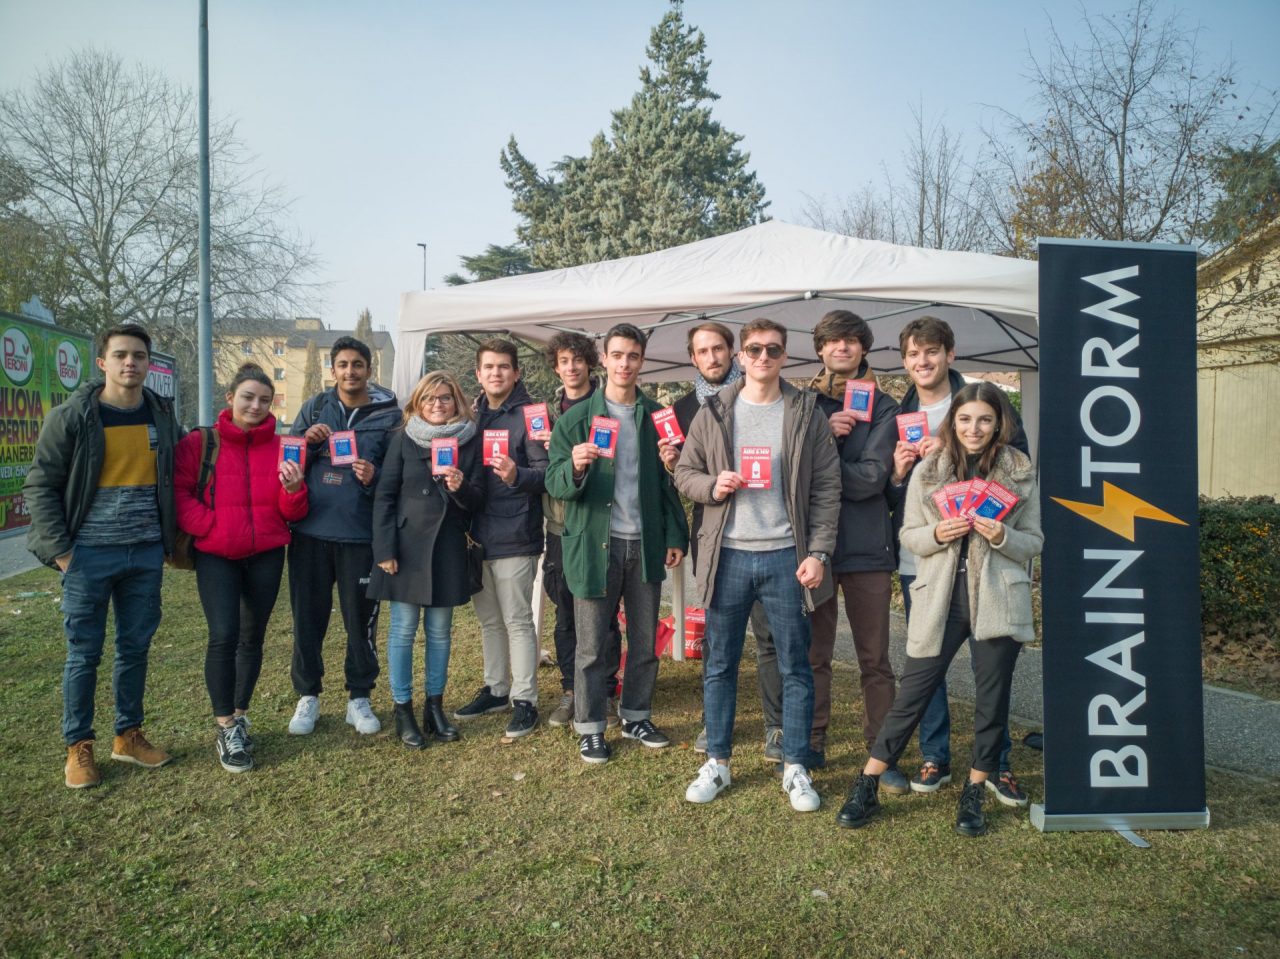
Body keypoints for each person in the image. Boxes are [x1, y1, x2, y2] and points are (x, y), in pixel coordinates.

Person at [837, 382, 1042, 837]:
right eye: (966, 419)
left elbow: (1035, 541)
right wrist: (938, 535)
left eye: (985, 419)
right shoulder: (930, 467)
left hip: (997, 599)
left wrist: (1002, 536)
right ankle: (867, 782)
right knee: (913, 691)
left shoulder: (1020, 470)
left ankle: (974, 791)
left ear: (999, 423)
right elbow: (910, 532)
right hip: (941, 599)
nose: (974, 428)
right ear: (954, 422)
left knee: (992, 701)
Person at [674, 318, 840, 812]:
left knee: (794, 665)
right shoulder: (715, 411)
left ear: (785, 356)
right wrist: (712, 486)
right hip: (726, 556)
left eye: (773, 349)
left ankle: (795, 766)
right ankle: (719, 762)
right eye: (754, 349)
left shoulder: (805, 411)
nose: (763, 357)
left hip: (787, 557)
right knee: (720, 663)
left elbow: (828, 488)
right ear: (740, 357)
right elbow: (685, 471)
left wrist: (818, 553)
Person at [25, 323, 180, 788]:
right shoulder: (73, 416)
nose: (129, 363)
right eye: (120, 355)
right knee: (83, 654)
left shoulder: (161, 415)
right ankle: (78, 747)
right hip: (88, 555)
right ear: (103, 362)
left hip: (144, 554)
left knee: (135, 649)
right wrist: (64, 553)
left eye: (138, 355)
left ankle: (128, 736)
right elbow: (41, 484)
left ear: (148, 363)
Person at [887, 316, 1031, 806]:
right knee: (927, 666)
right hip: (927, 560)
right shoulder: (897, 408)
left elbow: (1017, 476)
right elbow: (894, 497)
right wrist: (899, 470)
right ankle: (936, 754)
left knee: (991, 672)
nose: (922, 362)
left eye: (931, 352)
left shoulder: (983, 399)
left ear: (950, 354)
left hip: (988, 564)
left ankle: (996, 763)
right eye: (912, 354)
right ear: (904, 360)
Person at [754, 311, 903, 783]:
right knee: (812, 653)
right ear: (819, 349)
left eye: (852, 341)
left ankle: (882, 751)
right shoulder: (801, 404)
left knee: (874, 659)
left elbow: (871, 479)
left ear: (863, 348)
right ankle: (810, 742)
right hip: (813, 549)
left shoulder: (886, 407)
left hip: (866, 548)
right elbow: (787, 476)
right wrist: (829, 437)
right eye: (832, 341)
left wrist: (827, 456)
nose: (842, 348)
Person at [545, 323, 688, 764]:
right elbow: (554, 483)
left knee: (644, 642)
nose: (625, 363)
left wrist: (674, 530)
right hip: (593, 546)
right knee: (591, 646)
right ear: (603, 360)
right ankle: (590, 726)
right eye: (617, 355)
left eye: (633, 356)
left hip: (642, 545)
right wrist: (576, 466)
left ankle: (637, 714)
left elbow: (669, 486)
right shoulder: (575, 420)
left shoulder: (657, 416)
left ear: (642, 361)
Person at [175, 363, 309, 772]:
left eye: (265, 400)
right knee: (223, 635)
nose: (256, 405)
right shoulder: (201, 442)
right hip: (217, 554)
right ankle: (224, 725)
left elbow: (295, 512)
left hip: (266, 552)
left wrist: (293, 488)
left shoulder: (285, 446)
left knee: (252, 637)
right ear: (230, 398)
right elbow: (179, 492)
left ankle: (238, 714)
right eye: (248, 397)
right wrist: (209, 527)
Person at [664, 322, 777, 758]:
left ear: (735, 352)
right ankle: (714, 726)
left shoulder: (767, 396)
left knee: (770, 639)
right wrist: (673, 465)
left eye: (719, 348)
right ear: (692, 359)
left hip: (768, 535)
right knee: (718, 639)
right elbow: (681, 479)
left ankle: (777, 727)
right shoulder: (680, 409)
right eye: (702, 351)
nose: (712, 357)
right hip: (714, 538)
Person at [286, 336, 400, 738]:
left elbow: (396, 473)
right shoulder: (315, 408)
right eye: (342, 365)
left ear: (370, 370)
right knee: (307, 619)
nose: (350, 371)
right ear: (331, 369)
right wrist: (309, 444)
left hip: (359, 535)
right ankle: (308, 695)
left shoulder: (389, 416)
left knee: (360, 622)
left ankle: (359, 697)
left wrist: (375, 477)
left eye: (357, 365)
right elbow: (287, 463)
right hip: (310, 534)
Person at [369, 371, 484, 749]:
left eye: (446, 398)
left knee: (439, 632)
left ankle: (434, 707)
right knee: (402, 630)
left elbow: (479, 499)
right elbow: (385, 496)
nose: (438, 404)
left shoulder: (470, 440)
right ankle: (403, 708)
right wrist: (384, 550)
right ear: (418, 403)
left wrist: (461, 486)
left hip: (447, 547)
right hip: (404, 549)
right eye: (430, 398)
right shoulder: (402, 439)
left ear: (457, 402)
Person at [453, 339, 549, 739]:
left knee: (517, 620)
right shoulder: (468, 417)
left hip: (516, 533)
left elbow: (547, 474)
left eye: (504, 367)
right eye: (489, 367)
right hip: (477, 535)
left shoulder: (532, 415)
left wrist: (516, 475)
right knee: (490, 621)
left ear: (517, 372)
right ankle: (496, 688)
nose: (496, 373)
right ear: (478, 374)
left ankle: (525, 699)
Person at [534, 332, 623, 730]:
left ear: (591, 363)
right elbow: (544, 472)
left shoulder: (608, 406)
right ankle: (572, 689)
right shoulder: (544, 413)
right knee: (566, 612)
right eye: (564, 361)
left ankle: (605, 691)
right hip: (559, 524)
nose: (571, 367)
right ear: (556, 366)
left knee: (604, 615)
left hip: (600, 524)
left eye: (578, 360)